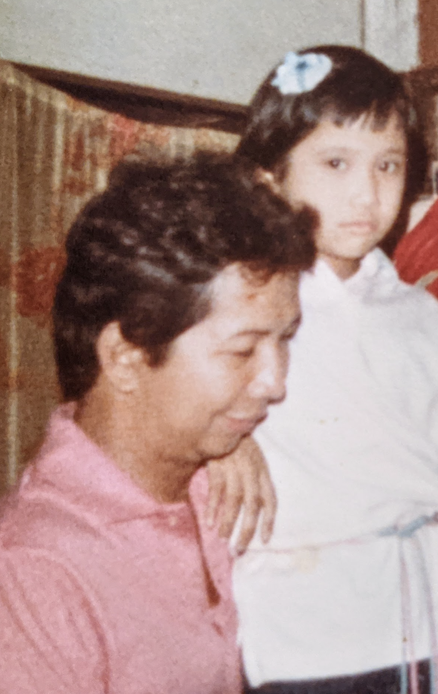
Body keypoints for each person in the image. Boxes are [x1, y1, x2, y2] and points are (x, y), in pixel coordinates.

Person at [232, 46, 438, 694]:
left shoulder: (422, 318)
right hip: (294, 646)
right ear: (267, 178)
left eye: (388, 165)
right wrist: (222, 447)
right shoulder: (234, 304)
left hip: (424, 632)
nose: (366, 193)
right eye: (335, 163)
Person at [0, 153, 317, 694]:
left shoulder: (211, 470)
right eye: (243, 351)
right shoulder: (35, 575)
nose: (276, 383)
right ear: (125, 358)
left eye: (284, 339)